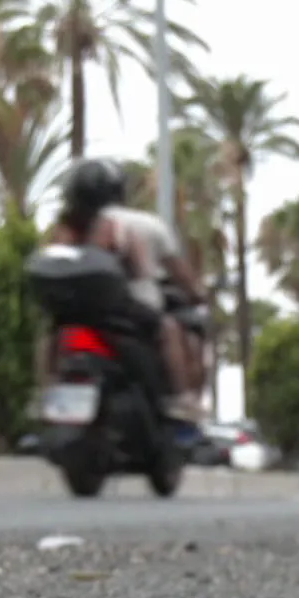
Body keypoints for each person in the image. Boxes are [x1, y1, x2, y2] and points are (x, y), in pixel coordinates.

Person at [48, 159, 203, 423]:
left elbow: (51, 261)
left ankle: (47, 388)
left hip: (82, 311)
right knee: (169, 329)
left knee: (54, 332)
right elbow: (164, 272)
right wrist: (197, 294)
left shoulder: (67, 228)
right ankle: (181, 397)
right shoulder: (142, 224)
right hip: (130, 312)